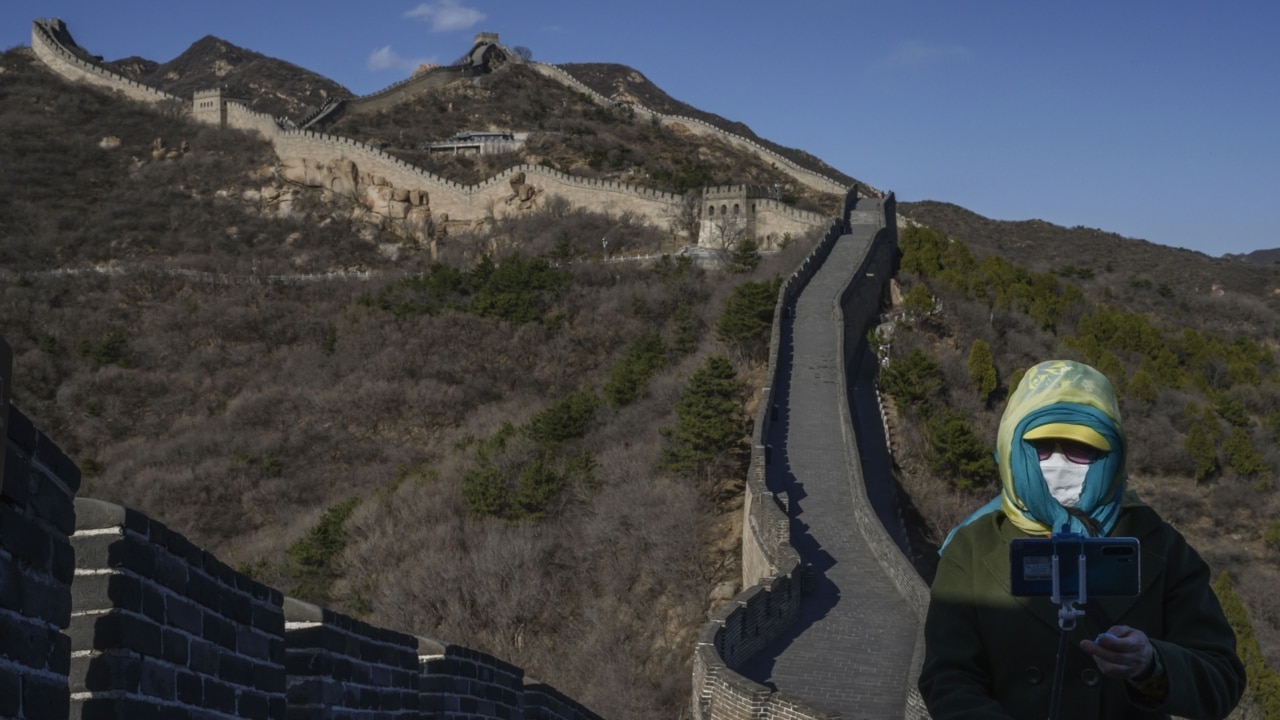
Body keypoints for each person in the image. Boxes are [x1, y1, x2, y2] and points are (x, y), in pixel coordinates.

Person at [918, 360, 1246, 719]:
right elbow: (947, 676)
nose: (1059, 462)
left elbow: (1222, 678)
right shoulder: (972, 545)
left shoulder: (1158, 544)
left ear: (1112, 454)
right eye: (1041, 447)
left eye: (1081, 449)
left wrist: (1152, 664)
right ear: (1013, 450)